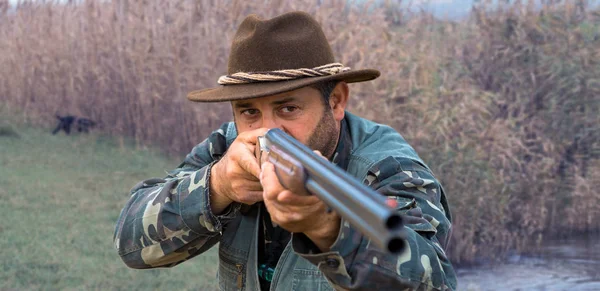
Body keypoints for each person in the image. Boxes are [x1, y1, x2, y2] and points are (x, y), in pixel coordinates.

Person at [113, 11, 456, 291]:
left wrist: (329, 229)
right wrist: (217, 187)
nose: (267, 131)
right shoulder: (228, 147)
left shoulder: (388, 166)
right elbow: (131, 245)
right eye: (249, 112)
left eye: (288, 108)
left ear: (336, 101)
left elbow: (431, 279)